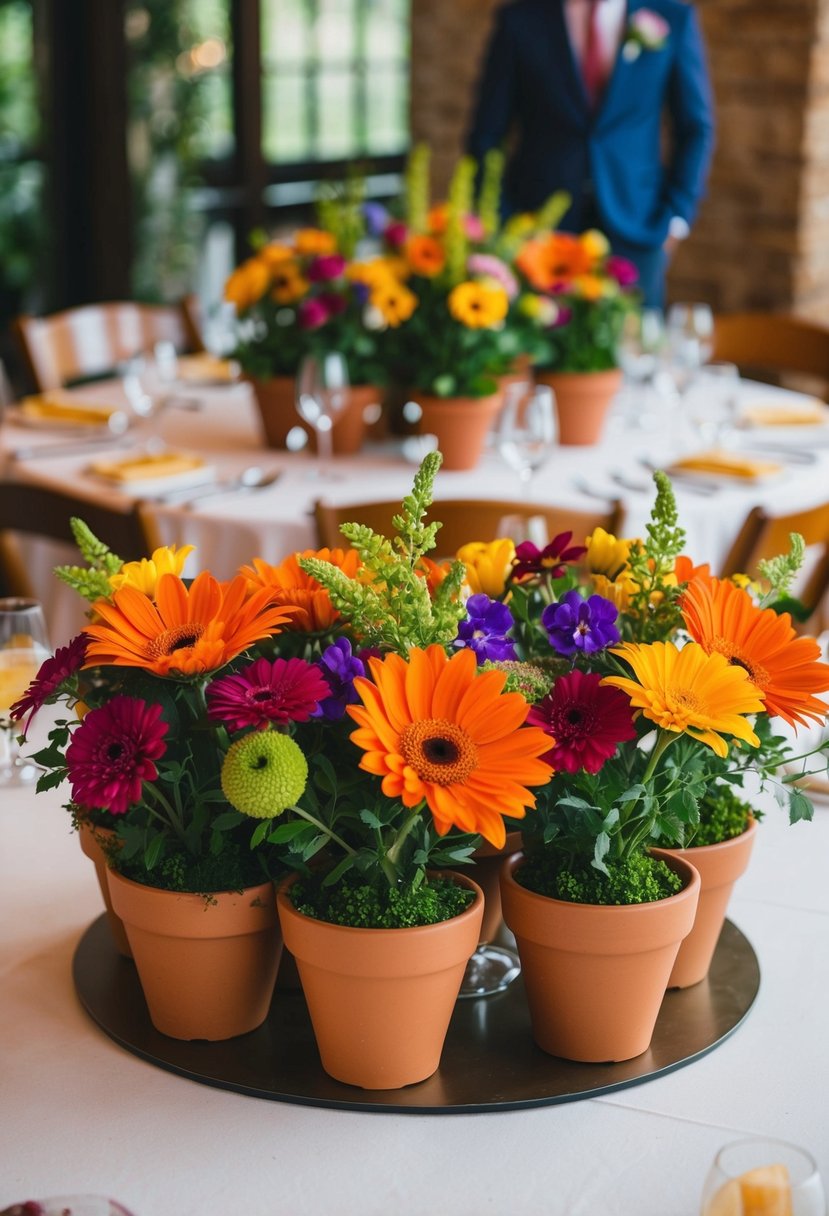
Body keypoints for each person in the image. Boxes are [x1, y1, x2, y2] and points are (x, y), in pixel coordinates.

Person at [466, 0, 715, 308]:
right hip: (538, 228)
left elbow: (695, 128)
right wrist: (503, 222)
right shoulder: (520, 20)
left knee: (634, 350)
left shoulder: (673, 17)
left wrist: (676, 215)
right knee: (541, 349)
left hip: (637, 224)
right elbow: (486, 136)